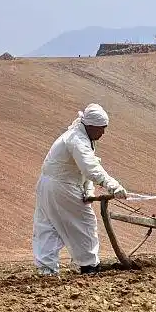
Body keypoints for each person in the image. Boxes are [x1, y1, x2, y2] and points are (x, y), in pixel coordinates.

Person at [32, 103, 128, 275]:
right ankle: (89, 265)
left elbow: (83, 168)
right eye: (101, 128)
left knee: (49, 226)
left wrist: (89, 191)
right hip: (63, 187)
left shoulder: (79, 137)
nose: (103, 133)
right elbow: (90, 168)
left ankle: (46, 270)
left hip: (48, 186)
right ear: (91, 126)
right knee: (85, 223)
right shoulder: (77, 140)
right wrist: (112, 185)